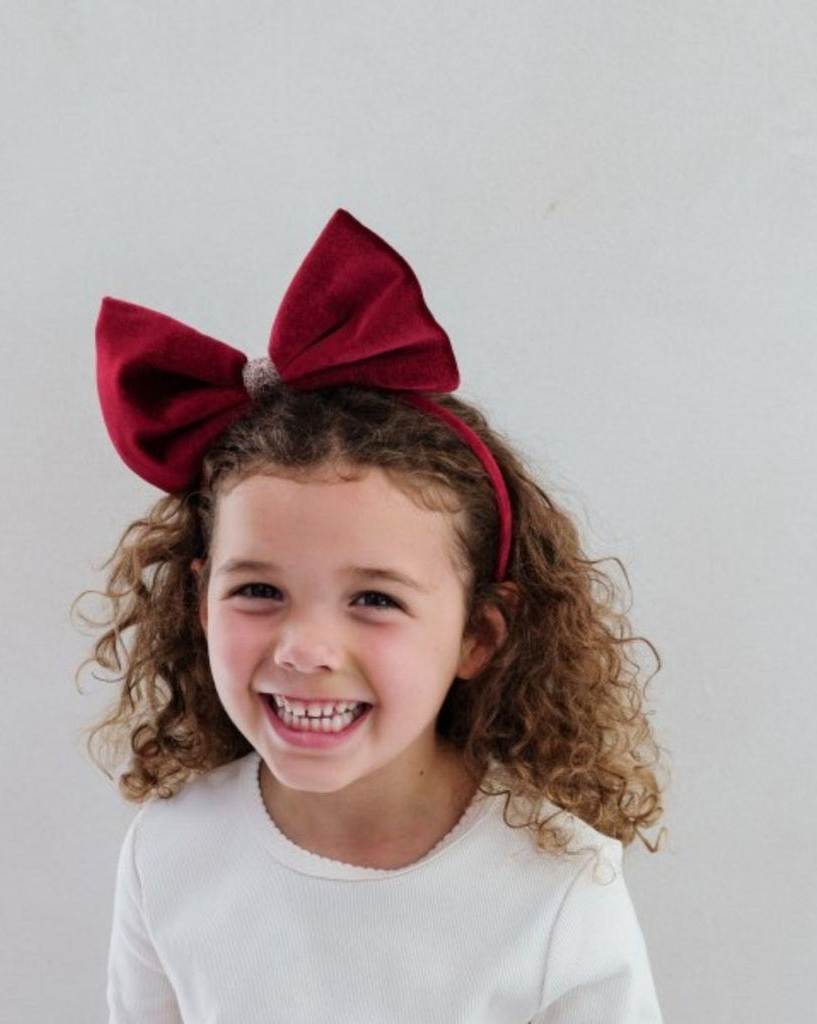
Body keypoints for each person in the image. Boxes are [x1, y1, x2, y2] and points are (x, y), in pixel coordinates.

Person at [76, 208, 668, 1023]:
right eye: (258, 590)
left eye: (376, 600)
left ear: (478, 635)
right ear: (199, 601)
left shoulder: (558, 884)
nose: (307, 647)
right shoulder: (170, 850)